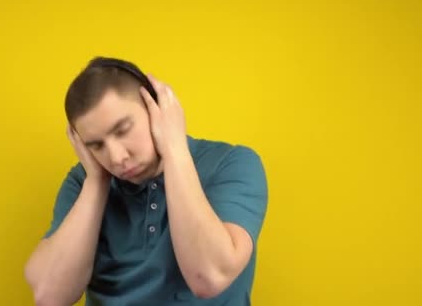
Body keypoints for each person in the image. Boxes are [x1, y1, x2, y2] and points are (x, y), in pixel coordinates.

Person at [24, 57, 269, 306]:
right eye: (96, 145)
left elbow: (209, 277)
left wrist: (174, 150)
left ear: (158, 109)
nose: (117, 157)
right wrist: (97, 182)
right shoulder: (82, 183)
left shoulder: (231, 163)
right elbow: (49, 295)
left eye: (123, 130)